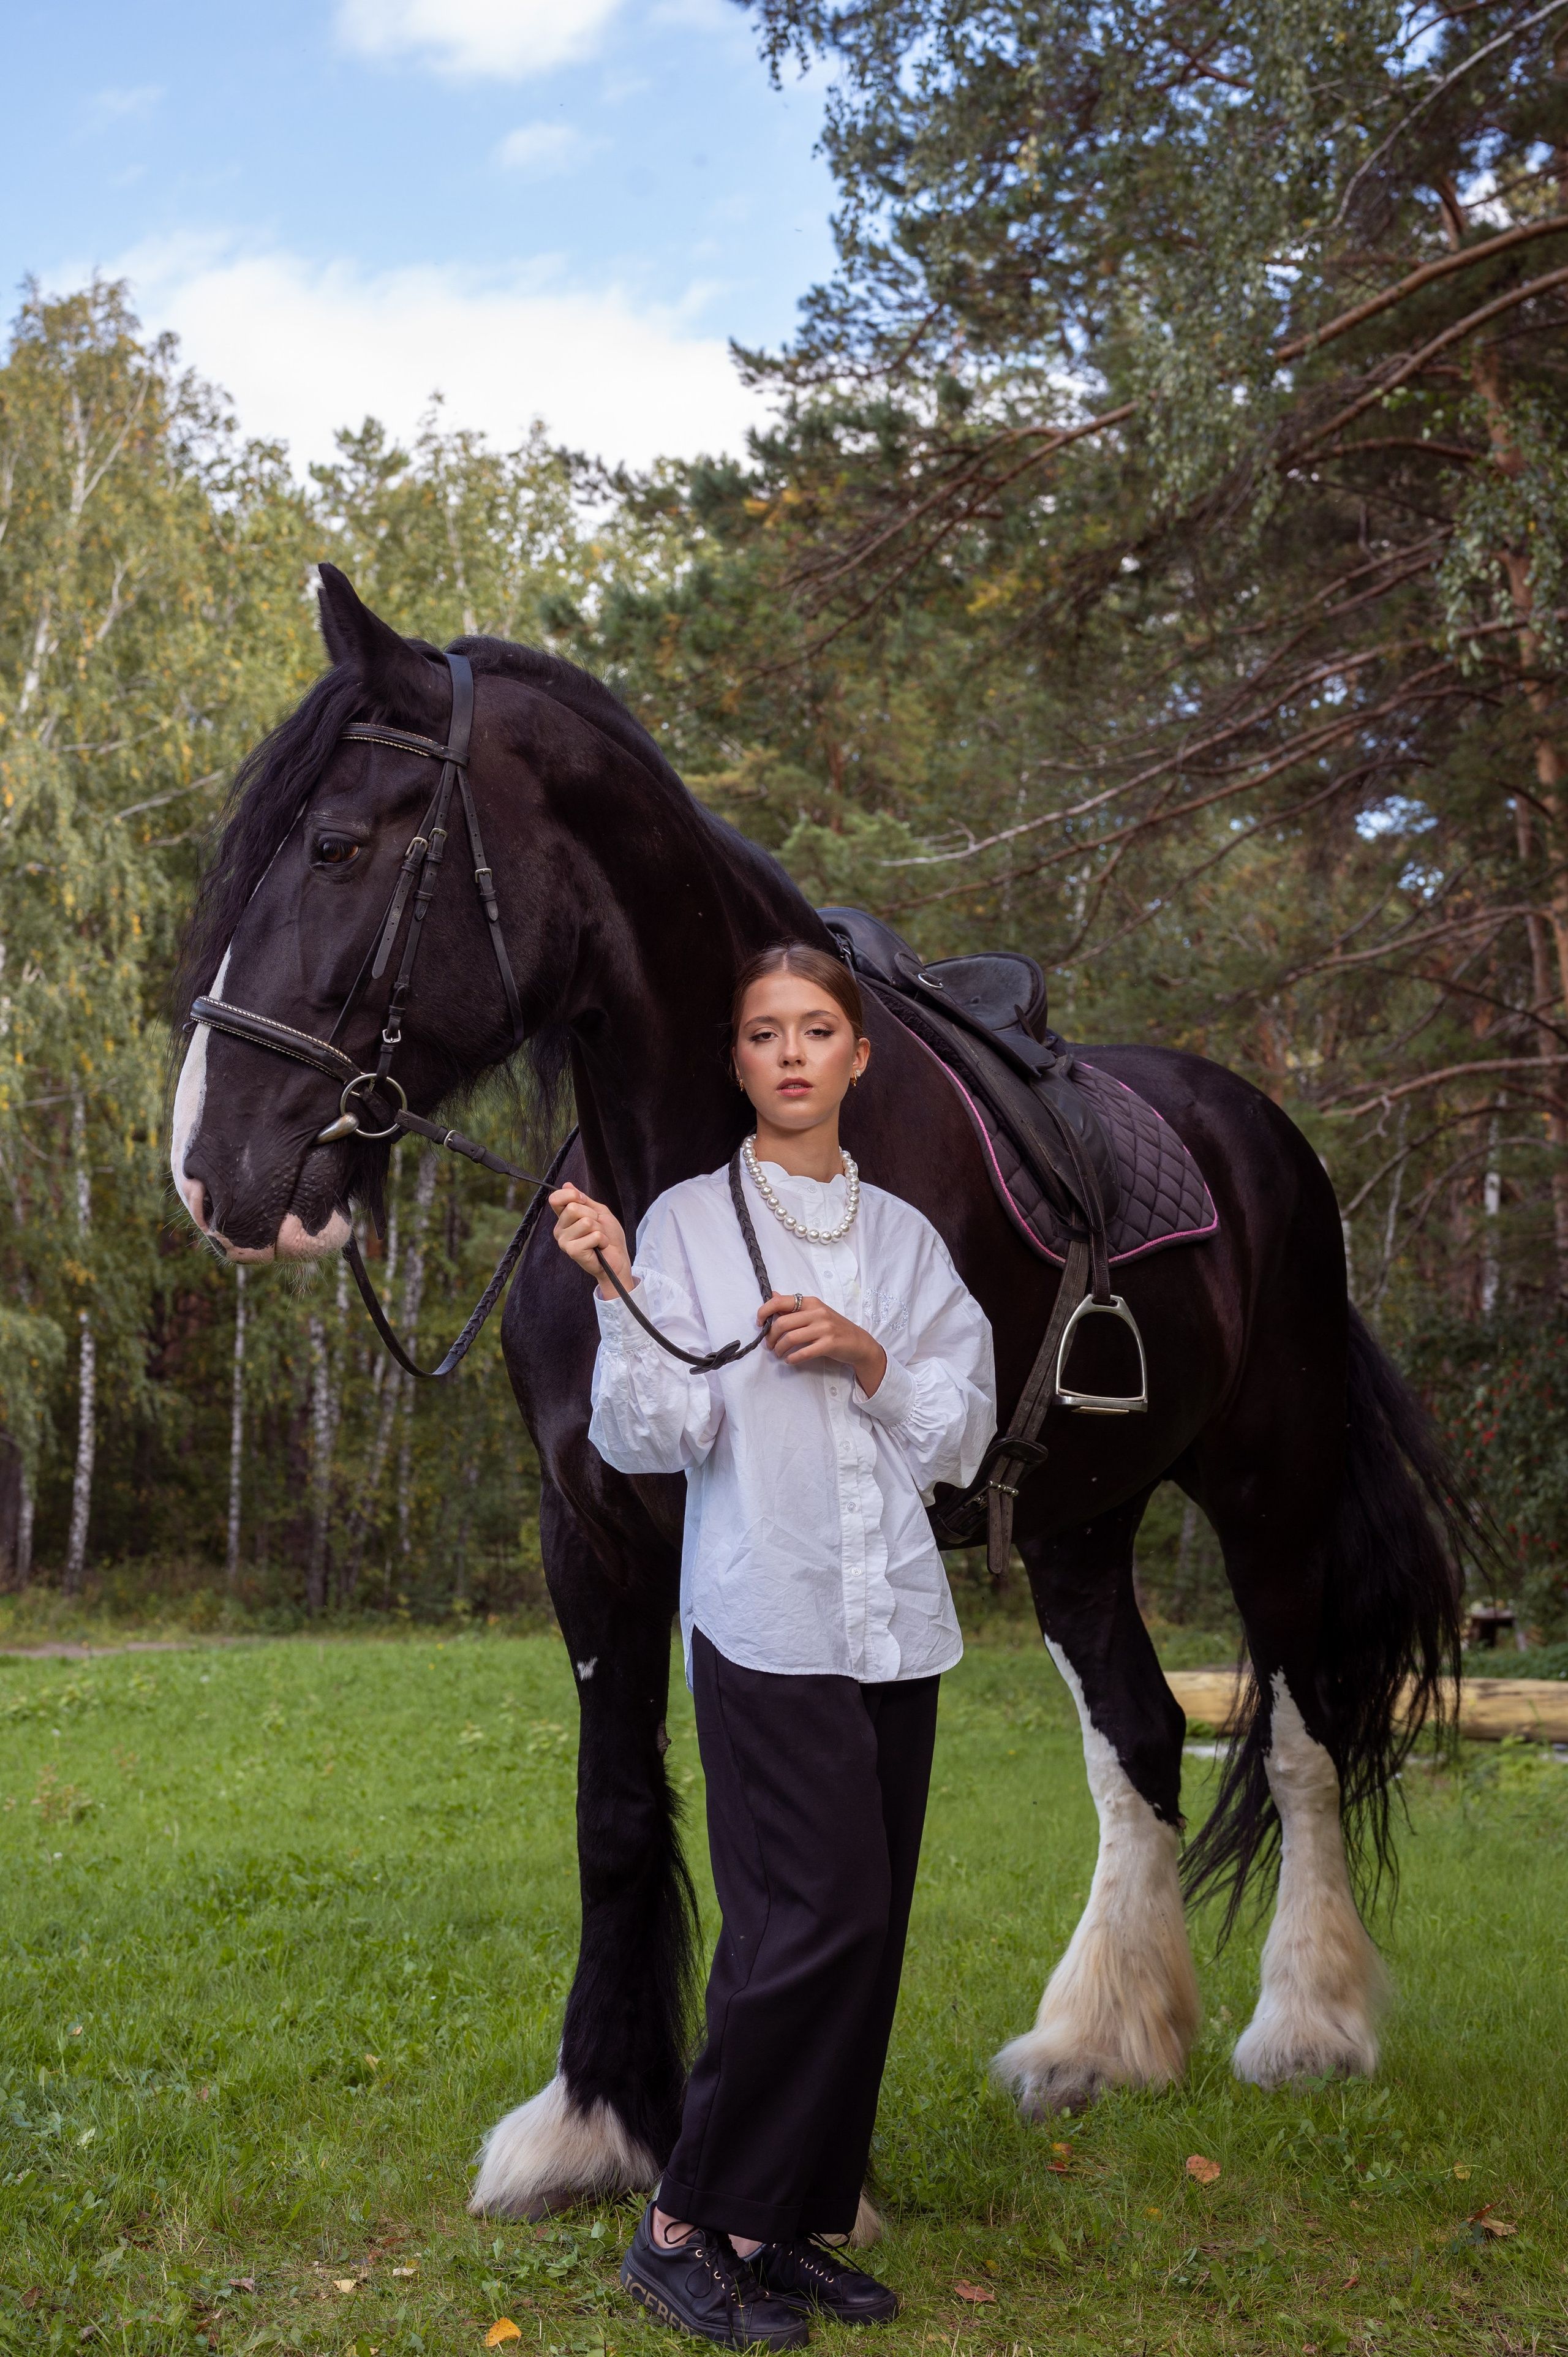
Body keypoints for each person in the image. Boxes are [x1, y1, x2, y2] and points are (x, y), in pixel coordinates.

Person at [549, 941, 997, 2351]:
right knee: (813, 1919)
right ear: (735, 1061)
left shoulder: (908, 1244)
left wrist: (866, 1356)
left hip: (896, 1629)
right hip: (766, 1618)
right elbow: (650, 1434)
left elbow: (963, 1432)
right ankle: (682, 2222)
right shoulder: (684, 1224)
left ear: (857, 1057)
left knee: (864, 1939)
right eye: (763, 1032)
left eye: (817, 1030)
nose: (792, 1053)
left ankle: (776, 2223)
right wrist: (619, 1286)